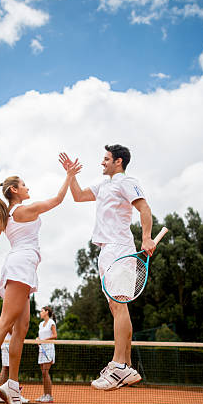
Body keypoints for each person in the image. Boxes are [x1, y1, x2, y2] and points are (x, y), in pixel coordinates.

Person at [0, 161, 81, 404]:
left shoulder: (5, 216)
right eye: (24, 185)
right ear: (15, 190)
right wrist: (69, 176)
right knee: (6, 323)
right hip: (21, 264)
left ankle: (11, 385)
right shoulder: (25, 209)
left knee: (22, 328)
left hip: (23, 266)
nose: (28, 188)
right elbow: (58, 200)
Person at [59, 145, 156, 390]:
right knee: (116, 307)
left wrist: (146, 238)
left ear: (118, 162)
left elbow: (144, 208)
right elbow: (78, 195)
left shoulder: (127, 182)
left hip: (121, 248)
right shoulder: (103, 185)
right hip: (105, 251)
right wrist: (71, 176)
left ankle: (119, 366)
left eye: (106, 159)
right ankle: (127, 367)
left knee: (119, 304)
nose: (102, 163)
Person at [0, 327, 29, 404]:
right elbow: (10, 329)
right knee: (9, 368)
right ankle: (11, 394)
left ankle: (3, 395)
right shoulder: (13, 316)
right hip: (8, 344)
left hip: (8, 344)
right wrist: (20, 334)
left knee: (6, 368)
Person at [35, 306, 57, 403]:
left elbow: (55, 335)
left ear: (47, 312)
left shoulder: (51, 323)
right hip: (41, 349)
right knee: (43, 374)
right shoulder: (40, 324)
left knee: (45, 372)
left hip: (49, 349)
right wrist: (38, 340)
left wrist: (44, 340)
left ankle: (49, 396)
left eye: (42, 311)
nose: (40, 313)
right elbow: (40, 336)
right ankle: (45, 395)